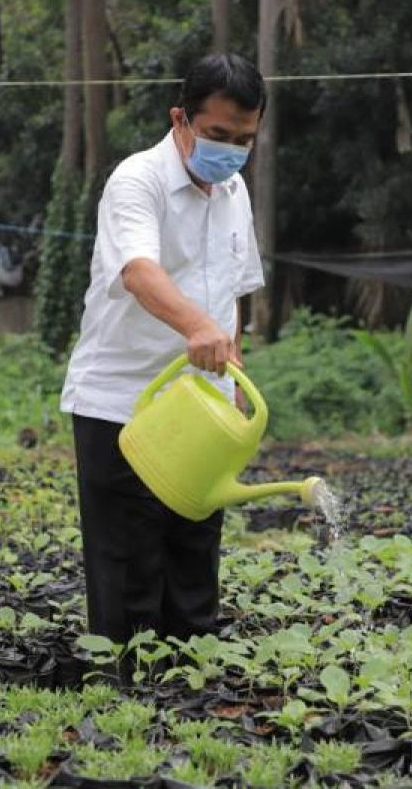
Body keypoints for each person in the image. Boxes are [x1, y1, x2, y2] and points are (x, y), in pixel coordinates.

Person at [60, 54, 267, 649]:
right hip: (122, 400)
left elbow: (232, 286)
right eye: (218, 135)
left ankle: (189, 683)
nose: (230, 150)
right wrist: (198, 327)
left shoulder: (234, 190)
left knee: (193, 544)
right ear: (181, 118)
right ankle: (123, 690)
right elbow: (139, 273)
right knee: (129, 559)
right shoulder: (137, 180)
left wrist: (232, 349)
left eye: (244, 139)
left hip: (200, 406)